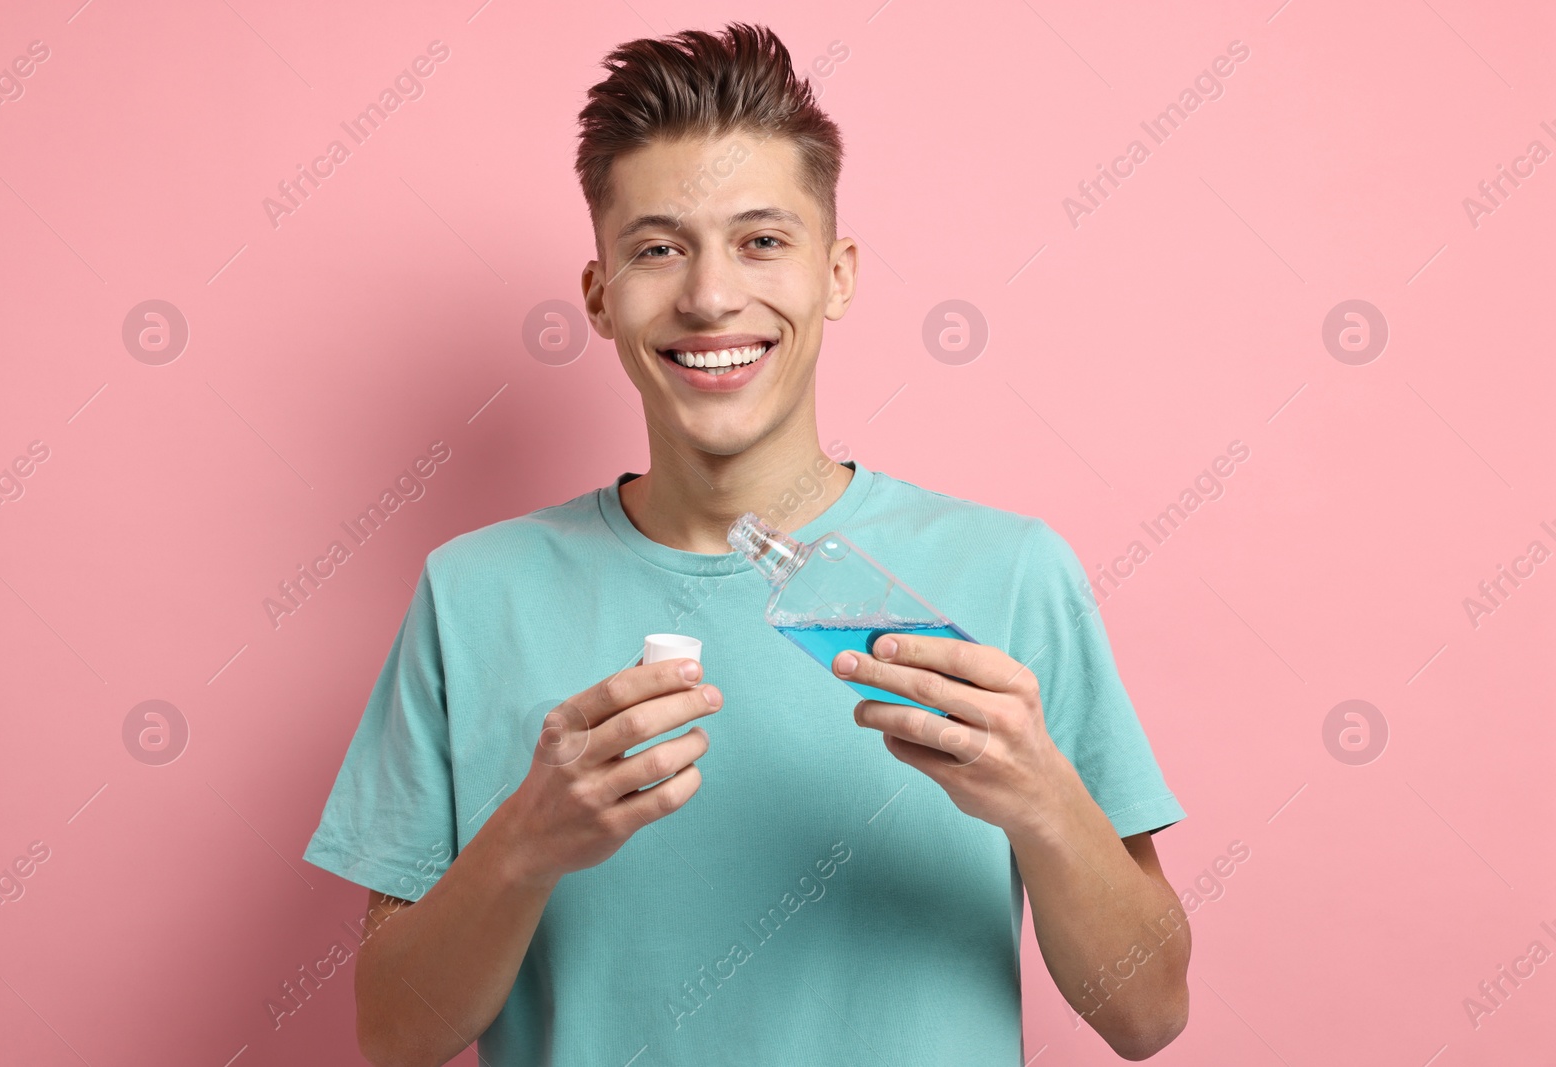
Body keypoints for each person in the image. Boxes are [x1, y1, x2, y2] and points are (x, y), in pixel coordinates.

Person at [303, 21, 1190, 1067]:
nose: (710, 295)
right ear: (599, 294)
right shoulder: (471, 595)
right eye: (657, 247)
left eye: (762, 240)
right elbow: (392, 1036)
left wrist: (1042, 799)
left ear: (837, 275)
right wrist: (526, 840)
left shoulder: (1011, 574)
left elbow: (1147, 1014)